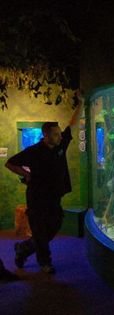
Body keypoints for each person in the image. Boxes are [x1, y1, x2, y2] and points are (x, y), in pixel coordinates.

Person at [4, 95, 83, 274]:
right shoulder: (33, 151)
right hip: (37, 198)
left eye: (59, 133)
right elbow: (9, 163)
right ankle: (45, 263)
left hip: (54, 197)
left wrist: (81, 104)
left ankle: (23, 248)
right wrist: (26, 174)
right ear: (45, 135)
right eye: (55, 134)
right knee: (40, 231)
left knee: (53, 227)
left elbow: (72, 124)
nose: (59, 136)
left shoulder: (60, 145)